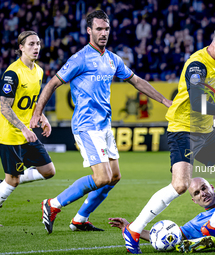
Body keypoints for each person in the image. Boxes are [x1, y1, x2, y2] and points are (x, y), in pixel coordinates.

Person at [30, 10, 171, 234]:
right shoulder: (79, 58)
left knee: (114, 177)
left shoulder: (113, 59)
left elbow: (136, 81)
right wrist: (38, 112)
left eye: (106, 29)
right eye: (98, 29)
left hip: (104, 126)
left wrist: (165, 100)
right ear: (89, 31)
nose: (103, 33)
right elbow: (52, 84)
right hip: (86, 126)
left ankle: (79, 219)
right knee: (102, 177)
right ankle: (53, 204)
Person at [122, 19, 215, 254]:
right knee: (181, 185)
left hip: (205, 131)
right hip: (183, 129)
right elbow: (197, 103)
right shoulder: (197, 65)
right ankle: (133, 230)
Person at [0, 31, 55, 209]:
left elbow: (32, 102)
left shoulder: (38, 71)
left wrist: (42, 118)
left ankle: (7, 180)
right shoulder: (12, 73)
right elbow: (3, 106)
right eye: (31, 44)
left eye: (38, 43)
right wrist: (23, 128)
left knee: (48, 171)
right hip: (10, 134)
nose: (36, 47)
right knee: (13, 181)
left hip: (27, 134)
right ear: (21, 47)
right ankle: (8, 181)